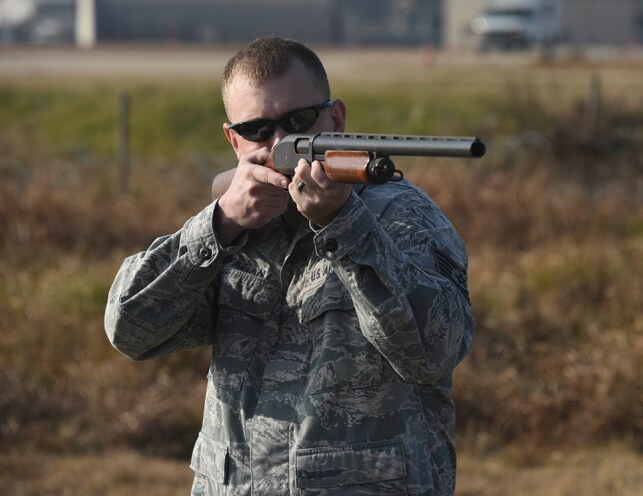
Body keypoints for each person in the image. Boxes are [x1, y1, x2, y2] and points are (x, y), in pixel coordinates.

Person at [105, 36, 475, 496]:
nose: (283, 142)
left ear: (336, 119)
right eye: (259, 129)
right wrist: (219, 225)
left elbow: (432, 352)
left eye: (300, 122)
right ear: (233, 139)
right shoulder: (230, 226)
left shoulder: (401, 216)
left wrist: (344, 225)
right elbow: (131, 330)